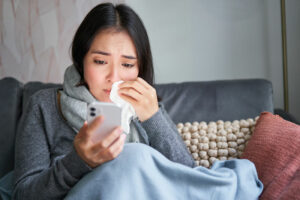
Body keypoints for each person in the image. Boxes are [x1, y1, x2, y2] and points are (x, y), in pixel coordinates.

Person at [12, 3, 196, 199]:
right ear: (81, 60)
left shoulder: (146, 108)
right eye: (100, 61)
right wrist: (78, 161)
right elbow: (24, 195)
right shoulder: (44, 106)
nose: (114, 77)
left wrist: (154, 118)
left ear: (139, 68)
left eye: (127, 64)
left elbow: (190, 179)